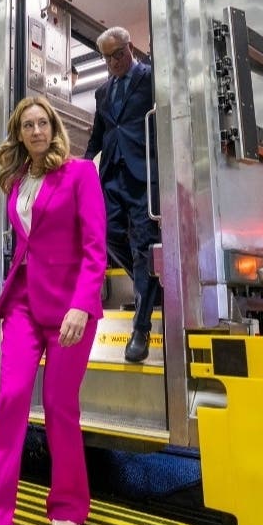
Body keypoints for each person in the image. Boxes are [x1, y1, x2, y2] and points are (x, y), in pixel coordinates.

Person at [0, 96, 107, 525]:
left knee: (60, 406)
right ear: (19, 133)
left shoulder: (82, 173)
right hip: (24, 304)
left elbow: (94, 247)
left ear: (54, 128)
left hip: (69, 310)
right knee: (11, 400)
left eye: (44, 122)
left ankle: (68, 501)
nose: (37, 130)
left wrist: (83, 305)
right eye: (28, 124)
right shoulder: (17, 181)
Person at [83, 26, 160, 364]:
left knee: (143, 246)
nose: (113, 62)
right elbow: (98, 136)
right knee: (107, 235)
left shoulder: (151, 78)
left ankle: (141, 329)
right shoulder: (102, 93)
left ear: (130, 48)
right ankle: (151, 282)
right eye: (107, 57)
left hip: (144, 172)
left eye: (118, 54)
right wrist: (81, 170)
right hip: (112, 174)